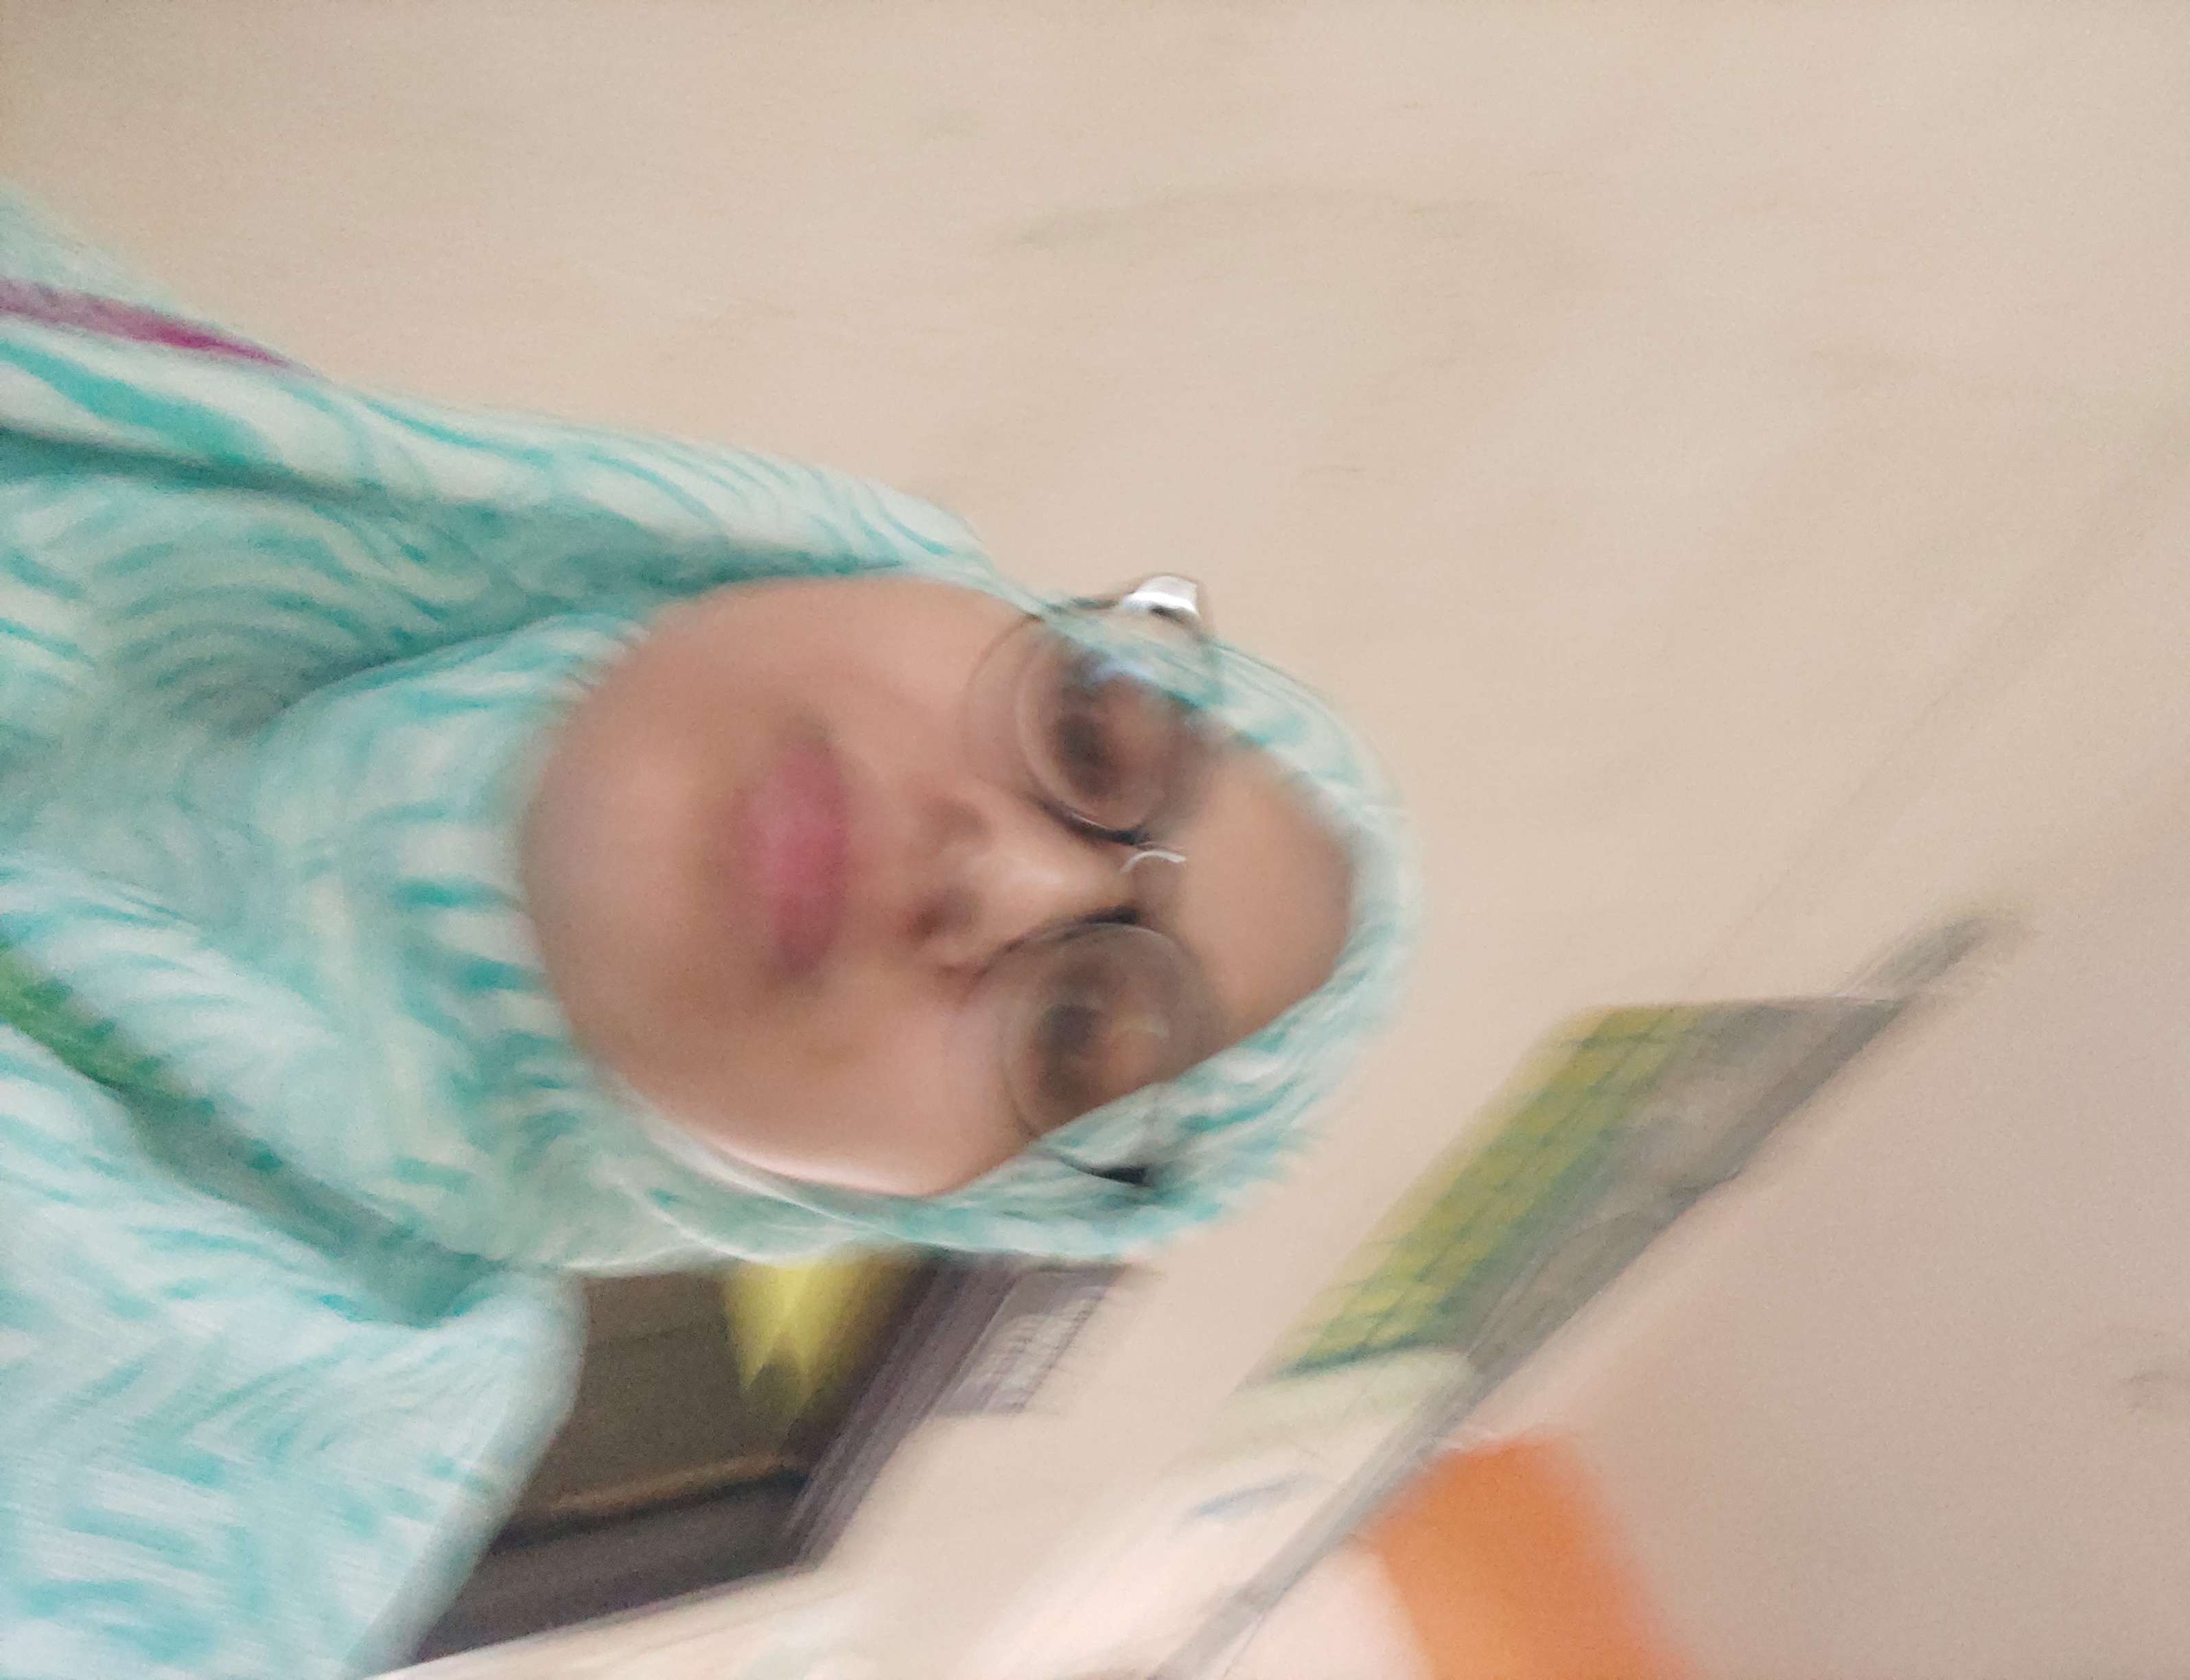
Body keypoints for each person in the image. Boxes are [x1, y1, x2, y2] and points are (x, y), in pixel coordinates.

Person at [0, 191, 1411, 1677]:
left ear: (896, 1204)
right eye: (1087, 735)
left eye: (1073, 1033)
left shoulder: (276, 1450)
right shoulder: (118, 402)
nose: (1003, 878)